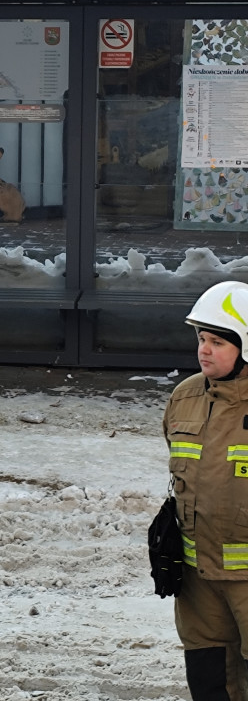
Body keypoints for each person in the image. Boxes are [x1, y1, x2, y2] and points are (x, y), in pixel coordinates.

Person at [165, 280, 248, 701]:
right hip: (198, 582)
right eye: (202, 338)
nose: (205, 349)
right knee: (209, 680)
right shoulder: (184, 397)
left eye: (218, 341)